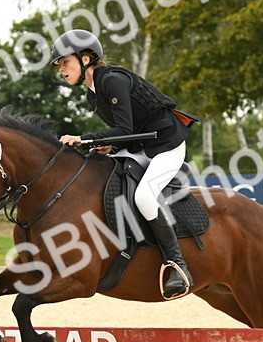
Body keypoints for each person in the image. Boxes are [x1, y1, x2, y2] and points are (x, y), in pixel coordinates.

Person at [52, 29, 197, 299]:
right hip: (140, 147)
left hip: (167, 145)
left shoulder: (113, 81)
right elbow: (125, 134)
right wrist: (111, 146)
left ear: (85, 59)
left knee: (144, 196)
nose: (61, 69)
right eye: (59, 65)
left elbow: (125, 128)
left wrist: (84, 138)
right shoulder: (92, 95)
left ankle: (178, 266)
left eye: (65, 62)